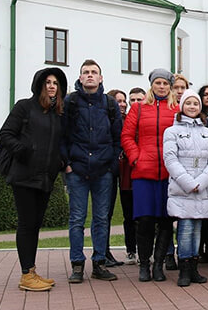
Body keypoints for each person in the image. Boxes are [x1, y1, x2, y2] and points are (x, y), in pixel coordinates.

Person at [0, 67, 67, 292]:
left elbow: (57, 144)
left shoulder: (57, 114)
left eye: (55, 83)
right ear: (39, 84)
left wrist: (59, 162)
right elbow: (5, 134)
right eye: (47, 82)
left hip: (45, 178)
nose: (51, 86)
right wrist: (23, 150)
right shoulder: (24, 107)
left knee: (35, 225)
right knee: (27, 225)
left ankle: (31, 270)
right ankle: (26, 275)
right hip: (25, 177)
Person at [61, 59, 122, 284]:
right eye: (85, 72)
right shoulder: (71, 102)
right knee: (76, 219)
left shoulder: (109, 104)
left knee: (100, 219)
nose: (89, 75)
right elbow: (62, 136)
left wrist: (112, 166)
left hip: (103, 171)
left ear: (100, 78)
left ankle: (99, 263)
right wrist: (66, 163)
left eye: (93, 72)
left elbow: (118, 138)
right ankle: (77, 265)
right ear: (80, 77)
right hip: (76, 169)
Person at [121, 69, 179, 282]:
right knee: (144, 220)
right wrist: (136, 157)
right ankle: (144, 264)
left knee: (165, 221)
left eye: (165, 83)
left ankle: (159, 265)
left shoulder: (176, 109)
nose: (161, 86)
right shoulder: (138, 108)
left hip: (168, 173)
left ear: (170, 86)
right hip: (143, 172)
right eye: (158, 83)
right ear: (152, 85)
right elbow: (126, 136)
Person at [163, 90, 208, 287]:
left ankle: (194, 268)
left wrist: (202, 181)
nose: (193, 107)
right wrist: (188, 182)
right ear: (182, 106)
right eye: (189, 103)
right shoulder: (172, 131)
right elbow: (170, 159)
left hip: (202, 187)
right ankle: (184, 270)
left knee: (197, 229)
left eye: (196, 103)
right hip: (182, 188)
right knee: (185, 229)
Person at [120, 87, 146, 266]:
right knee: (128, 214)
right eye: (133, 100)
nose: (136, 103)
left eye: (139, 99)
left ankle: (146, 250)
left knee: (144, 216)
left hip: (144, 170)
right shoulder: (125, 120)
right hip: (126, 174)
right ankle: (131, 249)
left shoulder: (147, 118)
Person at [104, 89, 128, 268]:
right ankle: (103, 251)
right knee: (105, 213)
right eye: (118, 100)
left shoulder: (128, 119)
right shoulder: (107, 118)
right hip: (110, 171)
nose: (122, 103)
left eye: (124, 100)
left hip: (125, 172)